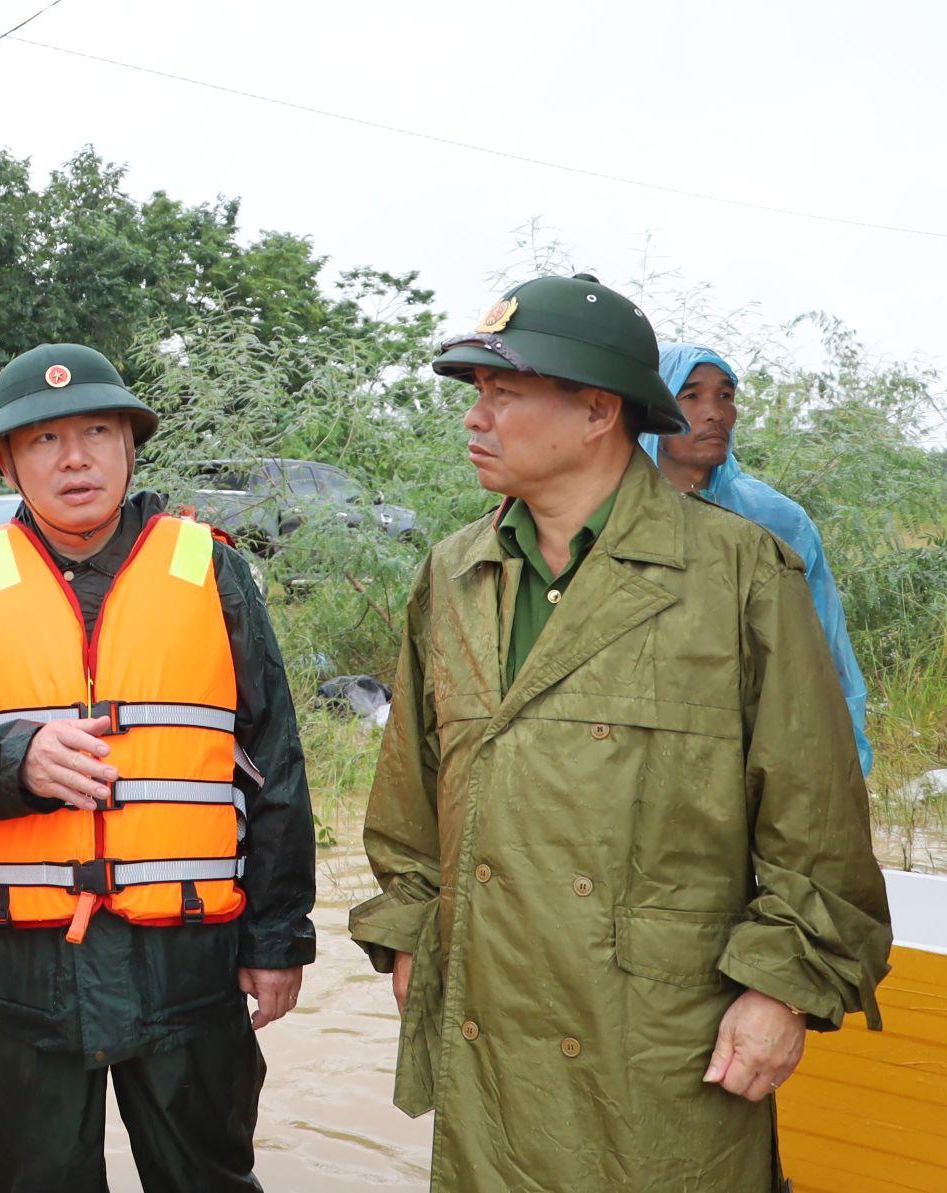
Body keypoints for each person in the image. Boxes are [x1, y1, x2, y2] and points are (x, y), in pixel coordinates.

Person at [347, 275, 892, 1191]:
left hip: (663, 1040)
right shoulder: (454, 572)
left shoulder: (737, 573)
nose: (475, 418)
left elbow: (819, 823)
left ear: (599, 411)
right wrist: (410, 939)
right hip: (493, 1031)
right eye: (476, 393)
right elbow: (411, 794)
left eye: (504, 393)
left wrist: (781, 990)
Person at [0, 344, 316, 1192]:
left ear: (129, 446)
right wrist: (17, 757)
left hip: (187, 956)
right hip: (21, 969)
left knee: (208, 1178)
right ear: (7, 462)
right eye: (43, 440)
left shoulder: (210, 568)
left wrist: (277, 938)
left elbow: (274, 763)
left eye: (95, 433)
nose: (73, 459)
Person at [643, 342, 874, 775]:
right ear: (652, 409)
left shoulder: (777, 520)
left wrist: (838, 751)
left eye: (725, 396)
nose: (714, 413)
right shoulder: (619, 515)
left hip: (757, 743)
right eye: (690, 395)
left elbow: (823, 647)